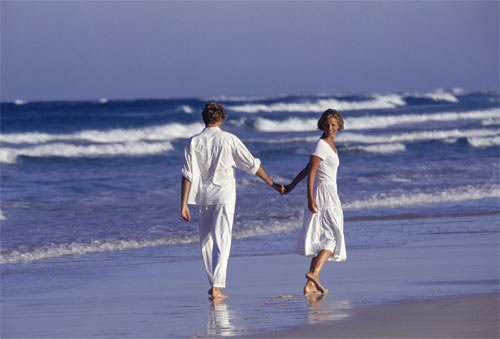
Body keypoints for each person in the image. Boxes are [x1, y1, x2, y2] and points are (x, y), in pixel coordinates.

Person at [181, 102, 283, 300]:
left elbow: (187, 174)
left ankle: (213, 284)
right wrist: (271, 183)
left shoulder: (193, 142)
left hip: (203, 196)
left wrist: (183, 203)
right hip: (224, 195)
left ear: (204, 119)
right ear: (221, 119)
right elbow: (251, 164)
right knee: (223, 239)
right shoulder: (229, 139)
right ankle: (217, 287)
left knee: (206, 241)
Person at [283, 109, 347, 295]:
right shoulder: (321, 145)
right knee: (333, 238)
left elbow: (307, 168)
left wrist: (291, 185)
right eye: (327, 125)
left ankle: (310, 285)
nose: (330, 128)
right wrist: (309, 196)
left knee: (323, 238)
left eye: (334, 125)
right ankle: (314, 273)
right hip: (323, 194)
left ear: (339, 126)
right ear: (322, 126)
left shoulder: (329, 146)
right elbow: (311, 173)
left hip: (329, 193)